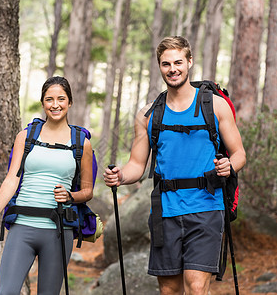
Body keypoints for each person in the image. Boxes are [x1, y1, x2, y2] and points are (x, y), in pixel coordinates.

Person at [103, 36, 246, 295]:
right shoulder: (148, 115)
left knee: (196, 285)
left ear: (189, 62)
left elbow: (239, 154)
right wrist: (120, 175)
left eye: (178, 62)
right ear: (159, 66)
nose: (173, 69)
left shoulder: (214, 104)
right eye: (166, 64)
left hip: (207, 208)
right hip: (165, 211)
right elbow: (137, 164)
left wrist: (228, 165)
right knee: (168, 290)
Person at [0, 76, 94, 295]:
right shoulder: (26, 136)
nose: (55, 104)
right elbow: (12, 178)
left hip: (59, 230)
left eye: (61, 99)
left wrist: (70, 196)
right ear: (43, 103)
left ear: (70, 102)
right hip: (22, 226)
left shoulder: (82, 143)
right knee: (6, 292)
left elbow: (87, 191)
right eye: (49, 99)